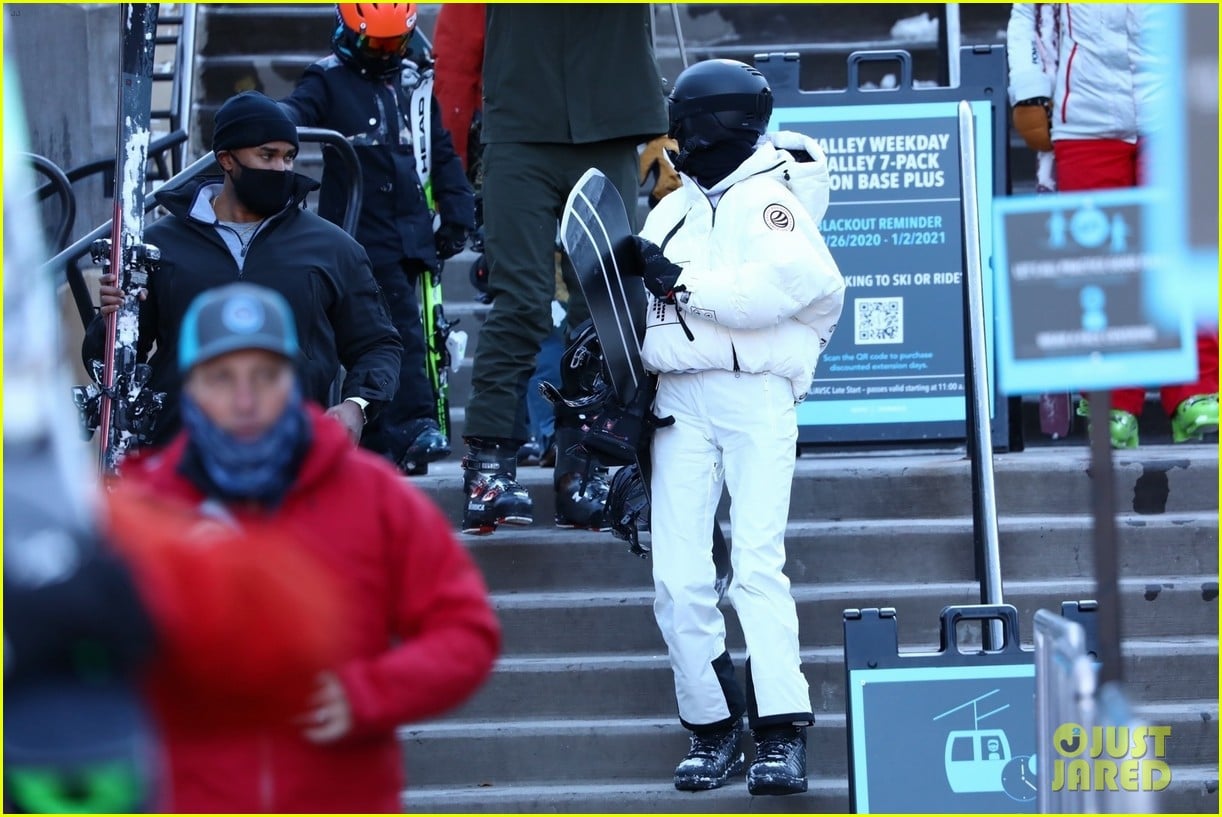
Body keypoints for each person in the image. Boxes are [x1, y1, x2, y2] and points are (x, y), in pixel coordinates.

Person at [115, 282, 500, 812]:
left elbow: (466, 632)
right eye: (222, 377)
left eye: (265, 376)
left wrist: (369, 693)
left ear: (294, 382)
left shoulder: (373, 494)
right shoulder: (140, 511)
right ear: (191, 388)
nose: (245, 400)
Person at [628, 59, 845, 795]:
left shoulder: (771, 201)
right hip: (679, 398)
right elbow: (642, 312)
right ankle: (714, 727)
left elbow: (787, 288)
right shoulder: (670, 210)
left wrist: (680, 283)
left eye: (685, 125)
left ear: (715, 124)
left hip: (755, 395)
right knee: (678, 577)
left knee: (755, 563)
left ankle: (781, 731)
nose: (678, 140)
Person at [83, 90, 402, 452]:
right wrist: (110, 320)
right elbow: (112, 362)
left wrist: (356, 405)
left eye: (289, 157)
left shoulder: (332, 247)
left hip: (295, 455)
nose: (281, 168)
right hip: (183, 455)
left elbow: (378, 343)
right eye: (267, 155)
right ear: (227, 159)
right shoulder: (158, 247)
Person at [459, 5, 672, 535]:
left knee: (604, 307)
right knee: (522, 302)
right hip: (520, 124)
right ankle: (489, 469)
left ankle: (584, 471)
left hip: (611, 120)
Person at [1007, 3, 1219, 448]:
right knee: (1100, 264)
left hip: (1175, 113)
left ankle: (1199, 391)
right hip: (1085, 122)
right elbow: (1028, 14)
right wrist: (1029, 91)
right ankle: (1111, 402)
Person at [280, 2, 476, 474]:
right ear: (346, 34)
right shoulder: (325, 78)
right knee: (389, 332)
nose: (383, 54)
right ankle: (408, 425)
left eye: (394, 44)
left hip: (409, 233)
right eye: (374, 43)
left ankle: (392, 435)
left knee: (411, 334)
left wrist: (457, 213)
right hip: (355, 233)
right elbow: (291, 113)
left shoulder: (413, 83)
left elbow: (440, 152)